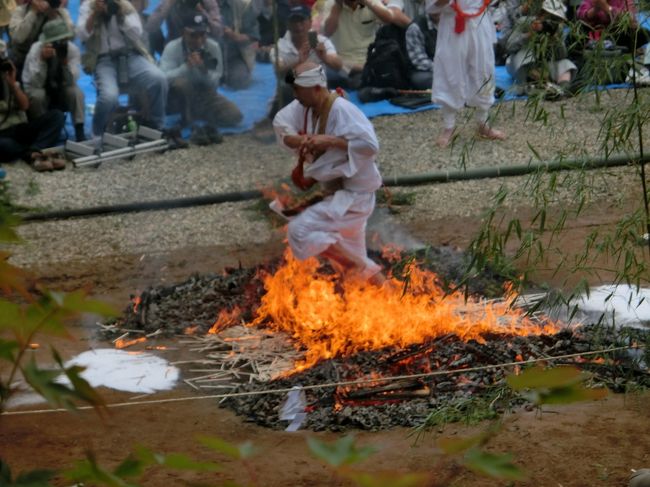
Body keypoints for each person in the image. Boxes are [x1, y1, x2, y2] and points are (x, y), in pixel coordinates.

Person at [271, 61, 385, 284]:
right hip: (340, 196)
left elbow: (370, 146)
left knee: (299, 230)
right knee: (350, 258)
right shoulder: (305, 106)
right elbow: (282, 124)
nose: (295, 95)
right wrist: (300, 140)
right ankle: (387, 294)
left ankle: (358, 267)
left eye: (298, 90)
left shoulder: (342, 109)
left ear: (315, 87)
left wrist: (332, 141)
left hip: (353, 197)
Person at [76, 0, 168, 137]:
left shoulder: (124, 4)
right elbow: (82, 35)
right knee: (109, 97)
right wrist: (95, 14)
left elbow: (136, 33)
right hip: (103, 59)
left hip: (129, 55)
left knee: (159, 78)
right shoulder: (89, 6)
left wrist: (120, 14)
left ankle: (156, 125)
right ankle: (97, 133)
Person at [428, 0, 505, 148]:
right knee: (450, 72)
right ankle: (449, 126)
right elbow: (432, 7)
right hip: (453, 22)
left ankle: (484, 123)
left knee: (484, 70)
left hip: (480, 21)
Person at [159, 12, 243, 144]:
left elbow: (216, 82)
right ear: (183, 33)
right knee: (182, 84)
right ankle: (187, 116)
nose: (198, 40)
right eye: (193, 35)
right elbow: (163, 77)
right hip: (178, 96)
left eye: (202, 35)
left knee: (234, 116)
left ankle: (197, 114)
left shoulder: (213, 47)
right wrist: (185, 68)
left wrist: (204, 71)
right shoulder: (172, 48)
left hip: (205, 94)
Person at [0, 41, 66, 171]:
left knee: (57, 116)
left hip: (19, 127)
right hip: (1, 133)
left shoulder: (6, 77)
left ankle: (34, 150)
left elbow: (24, 105)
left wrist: (13, 85)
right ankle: (33, 154)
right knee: (6, 145)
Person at [269, 4, 342, 115]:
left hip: (318, 91)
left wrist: (324, 57)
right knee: (286, 89)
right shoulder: (280, 47)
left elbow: (338, 65)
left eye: (302, 21)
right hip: (293, 92)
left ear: (310, 22)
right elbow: (279, 71)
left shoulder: (321, 41)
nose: (298, 26)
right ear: (288, 24)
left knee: (343, 97)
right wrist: (299, 61)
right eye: (294, 22)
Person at [22, 17, 86, 141]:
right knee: (37, 95)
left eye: (63, 40)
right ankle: (43, 130)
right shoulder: (36, 49)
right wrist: (42, 61)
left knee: (76, 92)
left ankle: (80, 129)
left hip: (60, 88)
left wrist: (65, 64)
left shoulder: (72, 50)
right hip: (38, 88)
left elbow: (72, 81)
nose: (59, 44)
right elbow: (35, 83)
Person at [322, 0, 408, 89]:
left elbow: (388, 19)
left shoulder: (371, 2)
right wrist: (338, 6)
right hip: (341, 62)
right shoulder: (331, 3)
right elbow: (327, 32)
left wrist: (368, 2)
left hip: (366, 60)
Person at [505, 0, 576, 97]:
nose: (550, 21)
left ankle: (562, 89)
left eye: (555, 19)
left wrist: (555, 41)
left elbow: (562, 56)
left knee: (566, 64)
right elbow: (509, 47)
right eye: (549, 17)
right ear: (541, 13)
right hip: (522, 66)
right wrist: (528, 35)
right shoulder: (525, 22)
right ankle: (535, 86)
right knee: (525, 54)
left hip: (544, 64)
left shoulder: (556, 29)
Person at [8, 0, 73, 80]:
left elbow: (71, 36)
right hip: (22, 59)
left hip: (50, 61)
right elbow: (18, 38)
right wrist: (33, 12)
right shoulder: (21, 11)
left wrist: (53, 15)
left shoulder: (61, 12)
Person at [218, 0, 260, 89]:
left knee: (239, 82)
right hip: (205, 57)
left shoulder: (243, 5)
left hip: (234, 57)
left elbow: (253, 35)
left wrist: (235, 36)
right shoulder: (200, 4)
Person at [145, 0, 223, 47]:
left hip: (202, 47)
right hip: (175, 49)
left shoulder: (208, 2)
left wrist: (203, 12)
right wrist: (168, 3)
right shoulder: (169, 2)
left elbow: (218, 31)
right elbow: (150, 26)